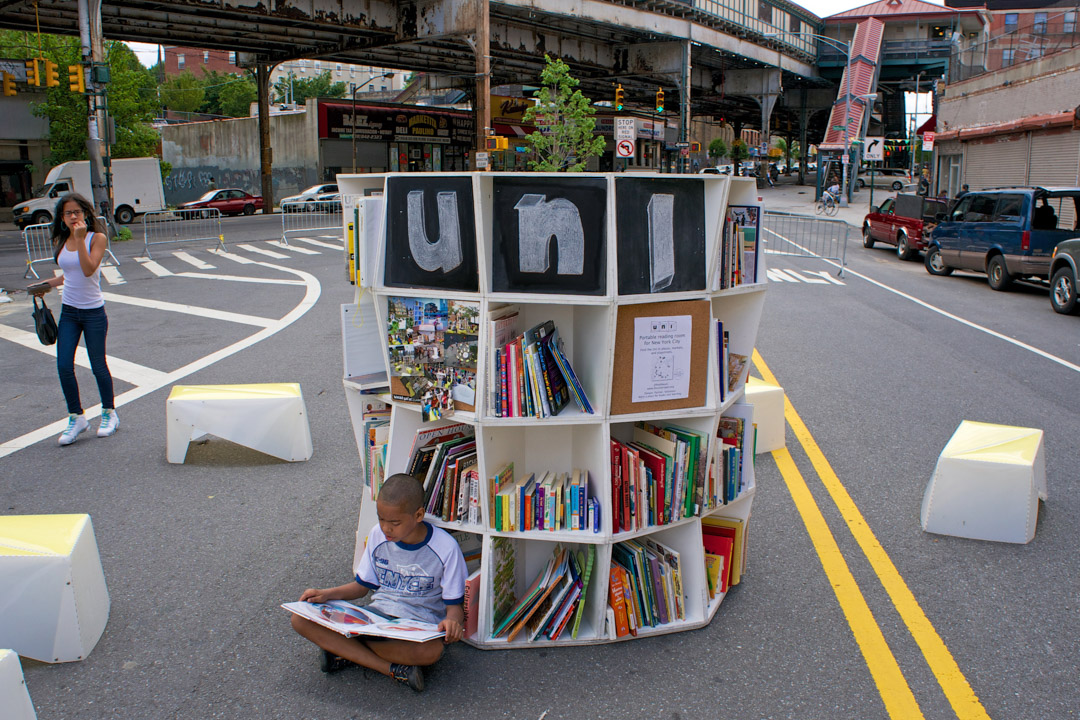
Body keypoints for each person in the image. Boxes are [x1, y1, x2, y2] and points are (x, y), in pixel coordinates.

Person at [290, 474, 466, 692]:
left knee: (432, 652)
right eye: (381, 519)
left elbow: (454, 608)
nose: (386, 528)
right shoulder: (377, 535)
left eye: (394, 522)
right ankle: (391, 669)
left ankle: (345, 651)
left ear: (419, 515)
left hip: (416, 627)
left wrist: (452, 624)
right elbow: (362, 587)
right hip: (375, 618)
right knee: (300, 619)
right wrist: (326, 594)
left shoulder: (446, 548)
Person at [28, 193, 118, 445]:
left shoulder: (95, 238)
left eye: (77, 211)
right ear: (62, 218)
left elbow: (89, 269)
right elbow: (70, 273)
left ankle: (109, 413)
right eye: (68, 213)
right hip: (69, 312)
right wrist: (45, 285)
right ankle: (76, 417)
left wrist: (80, 240)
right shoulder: (62, 240)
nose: (73, 216)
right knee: (64, 365)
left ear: (86, 214)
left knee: (98, 364)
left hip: (93, 313)